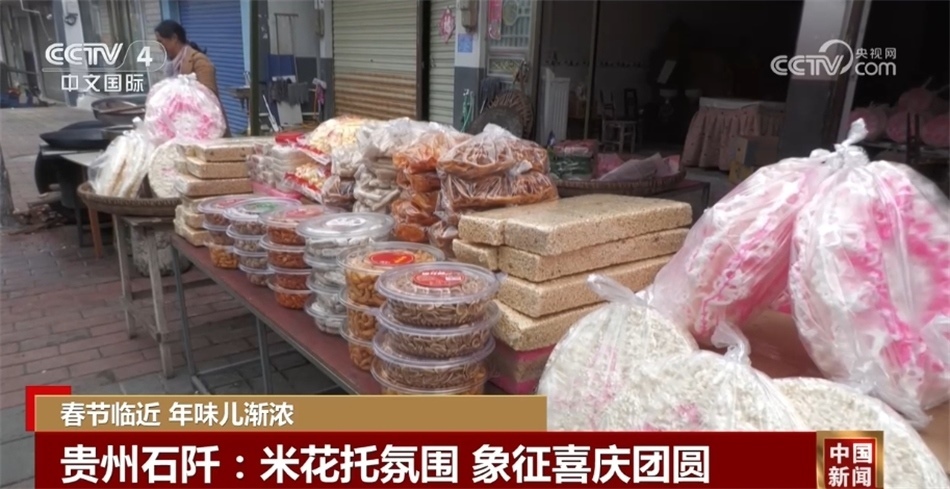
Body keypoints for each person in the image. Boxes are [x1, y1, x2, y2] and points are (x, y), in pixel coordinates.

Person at [154, 20, 230, 136]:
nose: (160, 47)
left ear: (174, 38)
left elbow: (209, 98)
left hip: (205, 131)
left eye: (161, 42)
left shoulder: (199, 61)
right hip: (182, 131)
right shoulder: (172, 66)